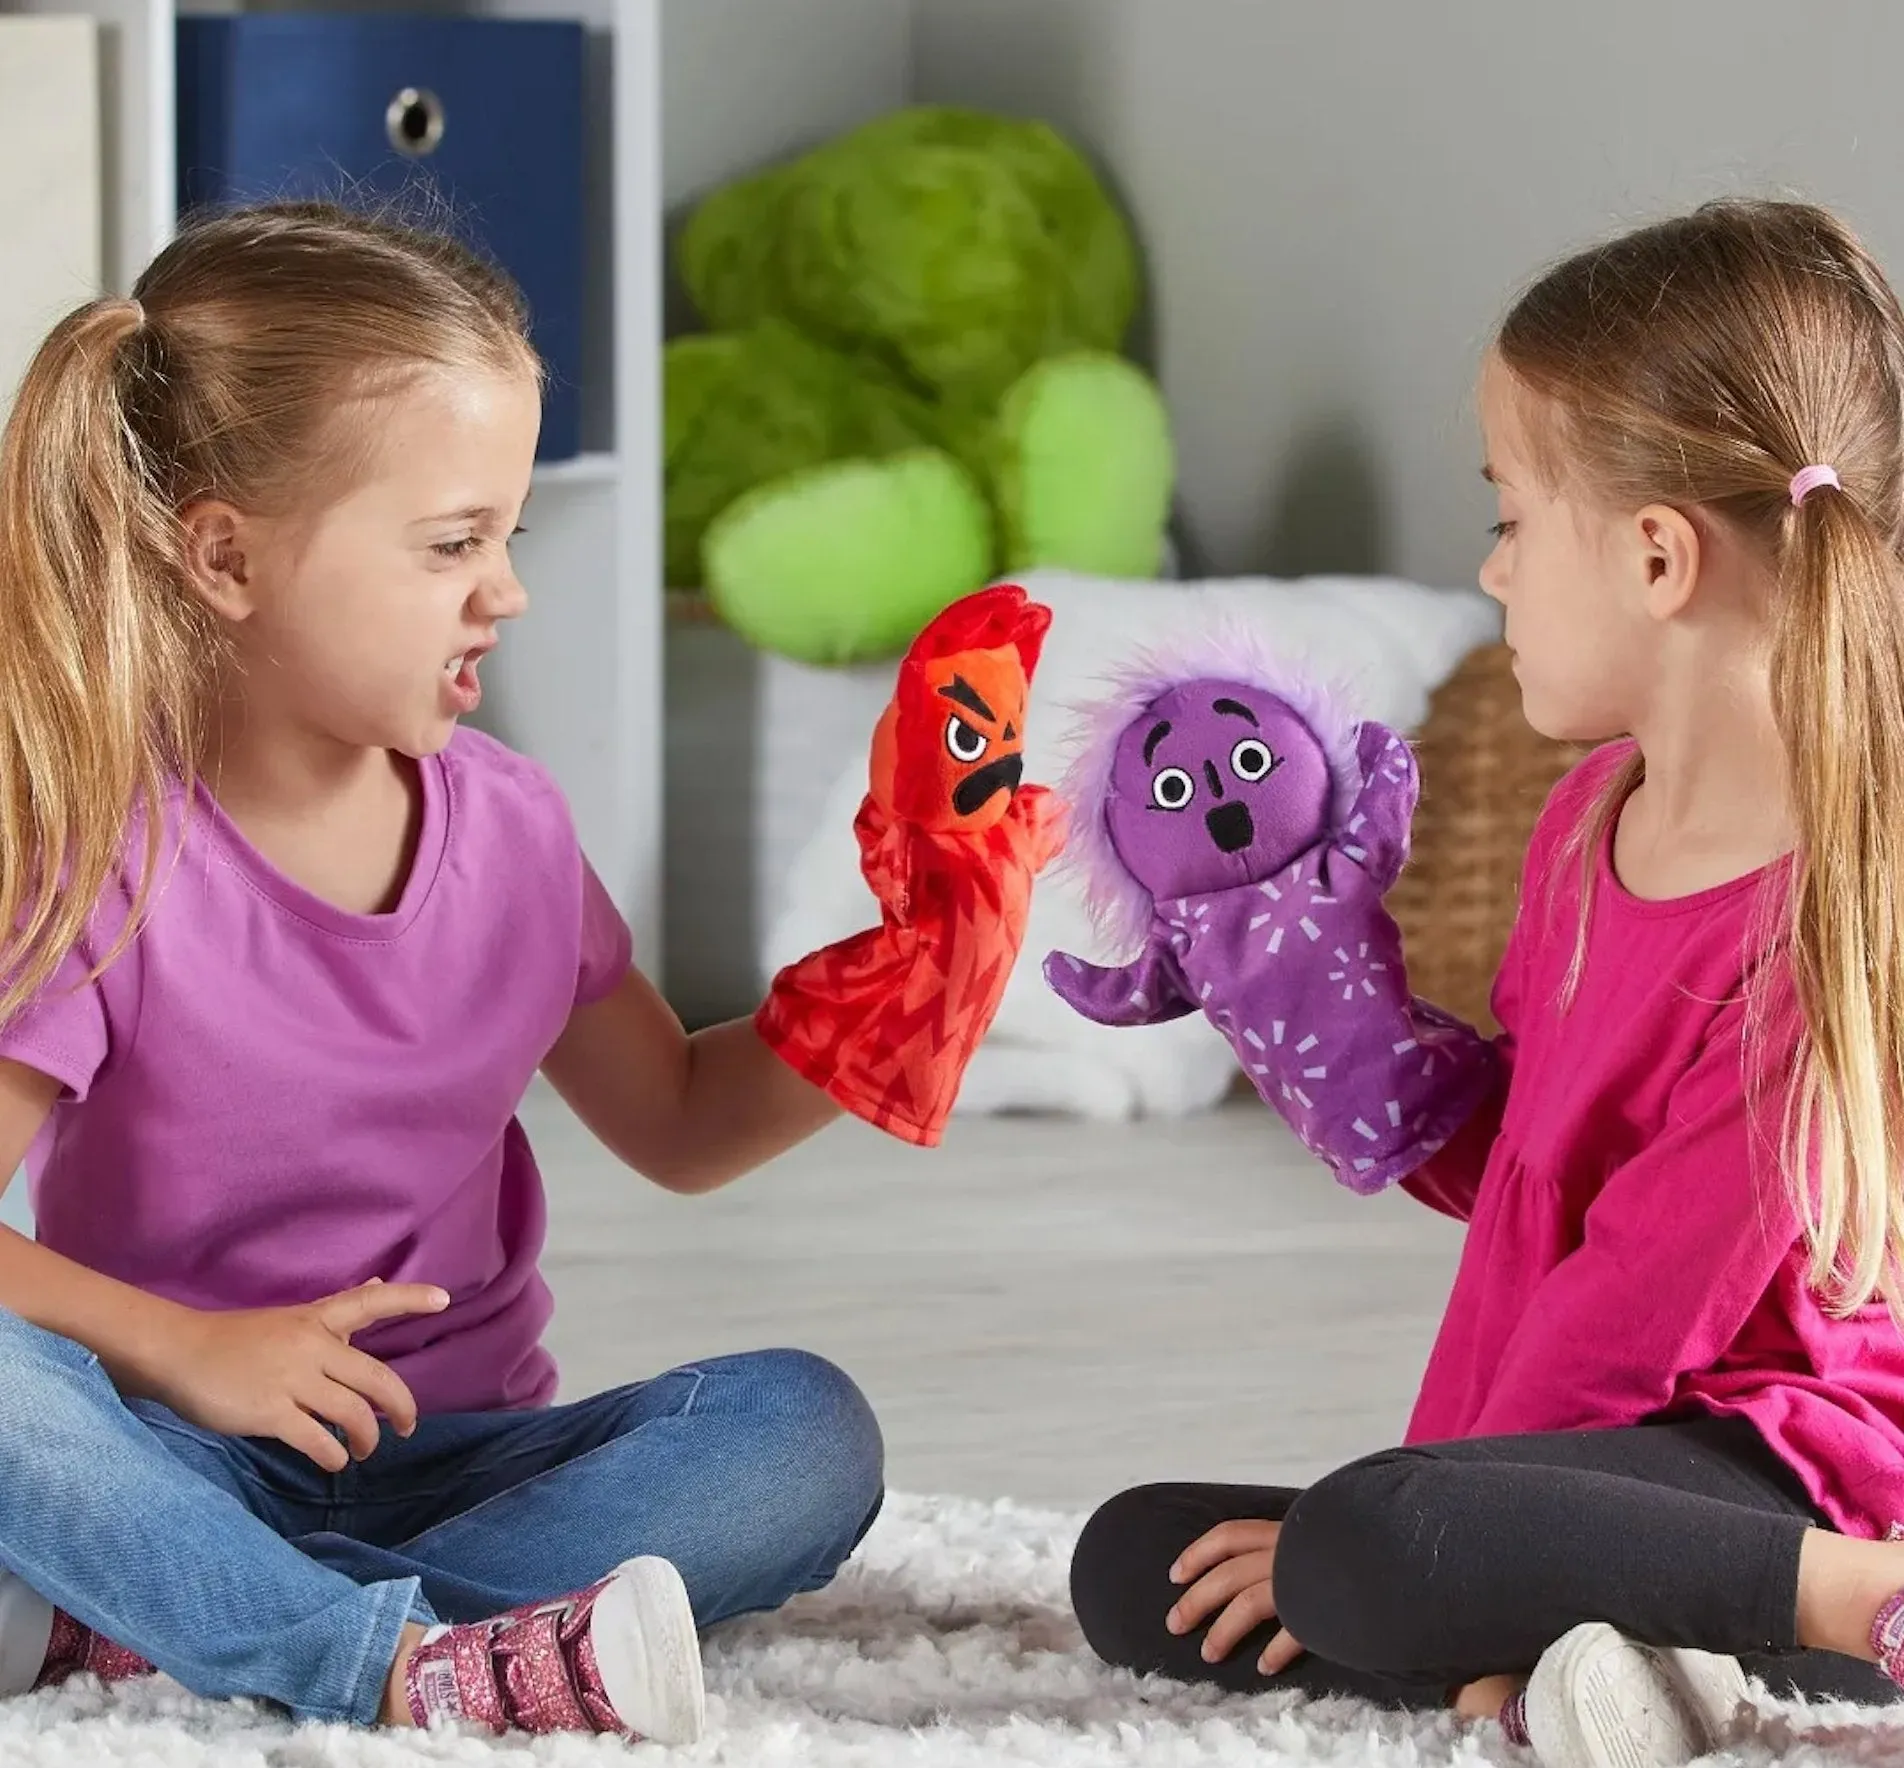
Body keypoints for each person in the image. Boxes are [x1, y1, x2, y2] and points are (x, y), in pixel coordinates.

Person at [0, 199, 906, 1742]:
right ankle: (391, 1667)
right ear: (225, 555)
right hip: (176, 1438)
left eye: (510, 534)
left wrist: (910, 981)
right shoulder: (97, 852)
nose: (508, 590)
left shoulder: (513, 829)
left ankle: (202, 1619)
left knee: (800, 1430)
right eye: (450, 545)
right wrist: (194, 1353)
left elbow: (681, 1120)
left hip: (465, 1453)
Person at [1069, 198, 1904, 1768]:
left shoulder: (1833, 914)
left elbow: (1640, 1295)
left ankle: (1864, 1615)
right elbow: (1537, 1163)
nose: (1492, 570)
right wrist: (1342, 1037)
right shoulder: (1591, 825)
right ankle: (1589, 1671)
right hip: (1586, 1465)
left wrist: (1431, 1520)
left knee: (1368, 1549)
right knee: (1141, 1561)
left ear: (1658, 557)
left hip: (1789, 1476)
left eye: (1512, 518)